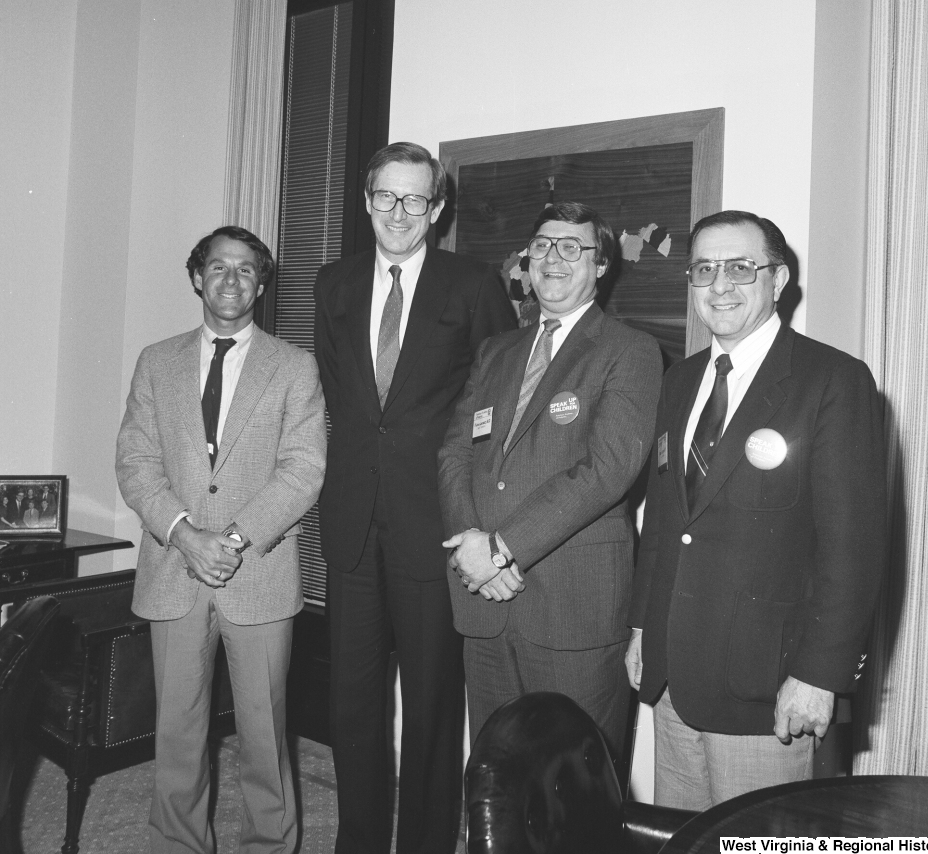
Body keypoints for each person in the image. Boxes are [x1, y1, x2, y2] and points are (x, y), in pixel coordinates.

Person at [626, 209, 887, 810]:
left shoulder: (833, 380)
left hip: (770, 686)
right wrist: (643, 624)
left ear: (780, 278)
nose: (720, 286)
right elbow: (667, 521)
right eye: (704, 270)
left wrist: (820, 675)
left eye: (741, 268)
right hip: (675, 677)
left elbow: (853, 550)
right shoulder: (680, 380)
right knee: (684, 842)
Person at [313, 142, 515, 854]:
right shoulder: (333, 285)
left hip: (436, 527)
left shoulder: (472, 284)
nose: (399, 213)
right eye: (386, 197)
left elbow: (499, 409)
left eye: (415, 200)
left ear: (438, 207)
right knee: (352, 707)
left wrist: (478, 521)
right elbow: (349, 403)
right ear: (366, 200)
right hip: (354, 526)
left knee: (431, 707)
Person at [116, 225, 326, 853]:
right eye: (217, 268)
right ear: (196, 278)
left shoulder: (294, 366)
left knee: (265, 734)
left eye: (245, 270)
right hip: (173, 570)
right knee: (177, 735)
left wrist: (231, 539)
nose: (230, 280)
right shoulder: (157, 361)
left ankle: (270, 844)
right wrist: (185, 534)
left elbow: (304, 468)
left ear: (261, 284)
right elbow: (135, 461)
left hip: (257, 573)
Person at [440, 201, 662, 765]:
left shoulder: (629, 350)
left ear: (601, 264)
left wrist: (501, 549)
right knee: (495, 775)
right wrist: (470, 542)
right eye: (542, 246)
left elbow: (608, 469)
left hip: (572, 606)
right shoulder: (497, 350)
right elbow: (454, 450)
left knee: (575, 785)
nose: (553, 259)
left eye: (571, 247)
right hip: (484, 600)